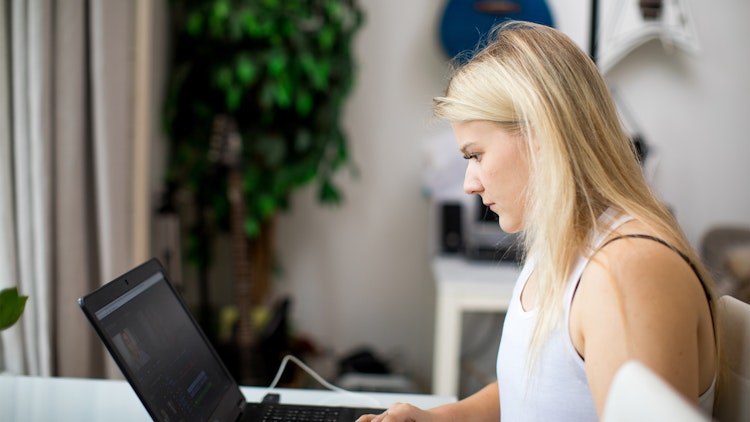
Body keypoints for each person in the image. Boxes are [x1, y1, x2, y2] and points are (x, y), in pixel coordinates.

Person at [358, 21, 718, 422]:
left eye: (475, 155)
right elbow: (536, 391)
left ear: (541, 134)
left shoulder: (626, 271)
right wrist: (439, 418)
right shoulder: (566, 245)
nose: (468, 184)